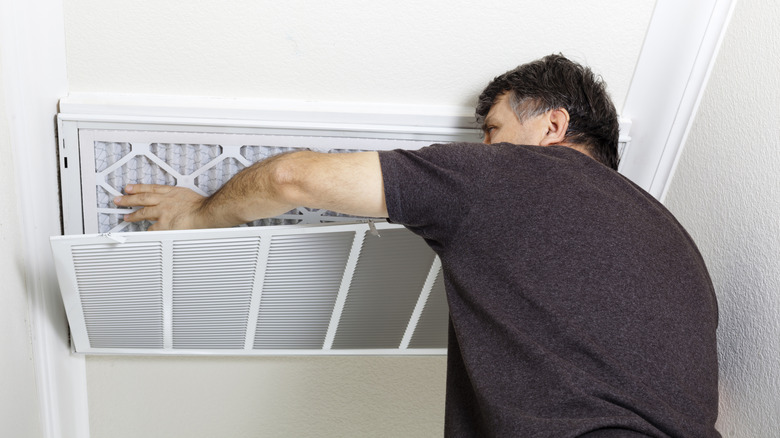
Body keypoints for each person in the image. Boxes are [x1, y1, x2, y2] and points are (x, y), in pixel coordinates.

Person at [115, 54, 720, 437]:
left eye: (494, 132)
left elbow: (290, 177)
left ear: (552, 126)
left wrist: (200, 213)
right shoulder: (679, 245)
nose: (487, 152)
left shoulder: (510, 175)